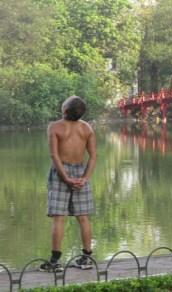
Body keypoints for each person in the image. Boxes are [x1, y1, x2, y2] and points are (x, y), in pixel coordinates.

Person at [40, 96, 97, 272]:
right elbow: (93, 155)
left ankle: (55, 262)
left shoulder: (55, 127)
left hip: (60, 173)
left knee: (59, 218)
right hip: (80, 173)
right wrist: (85, 178)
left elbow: (54, 156)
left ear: (64, 110)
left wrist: (65, 177)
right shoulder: (86, 128)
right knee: (83, 217)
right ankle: (87, 258)